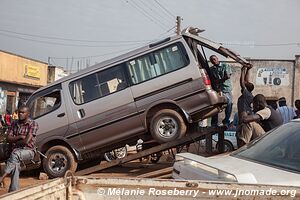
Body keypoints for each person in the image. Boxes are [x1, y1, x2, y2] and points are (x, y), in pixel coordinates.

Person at [0, 105, 38, 192]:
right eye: (19, 112)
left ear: (28, 114)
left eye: (23, 112)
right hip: (15, 151)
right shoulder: (14, 123)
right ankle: (14, 191)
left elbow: (26, 142)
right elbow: (8, 138)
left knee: (15, 154)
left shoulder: (33, 124)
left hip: (29, 151)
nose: (20, 114)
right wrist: (20, 136)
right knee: (15, 165)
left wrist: (14, 141)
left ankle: (1, 177)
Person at [209, 55, 233, 127]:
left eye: (214, 59)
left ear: (217, 59)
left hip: (226, 89)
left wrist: (219, 80)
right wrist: (222, 79)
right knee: (216, 105)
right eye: (212, 60)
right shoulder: (212, 69)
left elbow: (228, 76)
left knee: (229, 104)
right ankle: (214, 123)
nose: (213, 61)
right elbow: (213, 80)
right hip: (217, 90)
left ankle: (226, 121)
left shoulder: (225, 65)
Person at [236, 65, 255, 147]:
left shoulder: (246, 94)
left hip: (243, 120)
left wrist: (242, 70)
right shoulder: (249, 94)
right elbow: (246, 81)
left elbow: (242, 82)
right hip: (243, 119)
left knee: (242, 140)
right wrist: (248, 69)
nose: (246, 81)